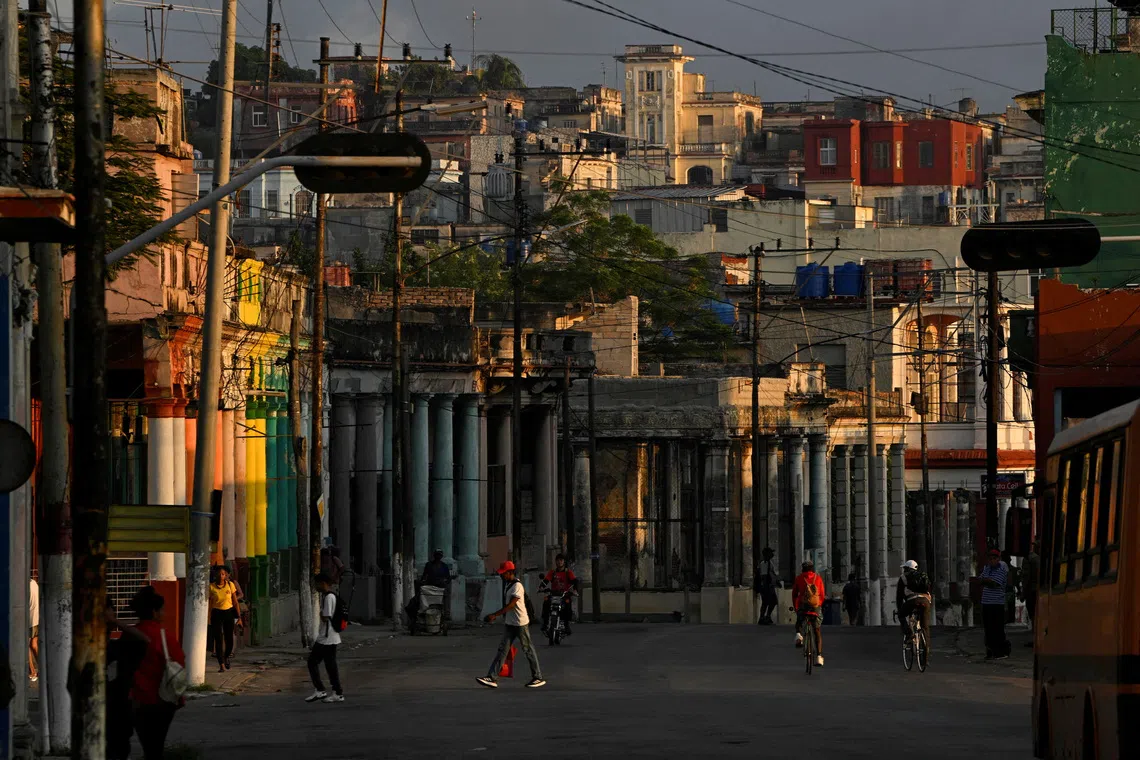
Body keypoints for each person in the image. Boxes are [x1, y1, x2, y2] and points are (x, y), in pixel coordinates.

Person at [129, 585, 186, 760]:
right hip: (163, 701)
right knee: (156, 746)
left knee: (148, 745)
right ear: (154, 612)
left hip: (137, 701)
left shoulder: (129, 635)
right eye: (161, 610)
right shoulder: (165, 636)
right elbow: (178, 666)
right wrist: (180, 698)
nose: (163, 613)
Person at [477, 561, 545, 689]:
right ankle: (492, 677)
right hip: (510, 623)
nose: (502, 576)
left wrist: (495, 615)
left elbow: (511, 605)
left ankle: (538, 677)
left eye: (504, 573)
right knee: (503, 650)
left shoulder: (517, 586)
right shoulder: (508, 585)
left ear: (510, 573)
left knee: (528, 650)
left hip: (520, 623)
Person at [105, 604, 148, 760]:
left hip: (119, 706)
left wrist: (116, 622)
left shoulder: (116, 641)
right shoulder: (89, 643)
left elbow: (144, 640)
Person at [306, 573, 345, 703]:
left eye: (317, 584)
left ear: (323, 583)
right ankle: (337, 692)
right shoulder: (331, 596)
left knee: (312, 662)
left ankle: (320, 690)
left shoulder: (328, 597)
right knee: (330, 665)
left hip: (326, 637)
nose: (316, 586)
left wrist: (320, 613)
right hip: (331, 636)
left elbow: (325, 616)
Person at [405, 550, 452, 632]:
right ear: (434, 556)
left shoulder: (444, 566)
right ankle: (416, 619)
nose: (438, 557)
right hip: (428, 589)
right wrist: (422, 583)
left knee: (446, 598)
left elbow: (448, 579)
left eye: (439, 555)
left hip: (438, 590)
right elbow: (424, 577)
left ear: (441, 556)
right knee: (413, 603)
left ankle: (445, 615)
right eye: (436, 555)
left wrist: (443, 583)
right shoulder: (429, 565)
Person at [792, 560, 826, 667]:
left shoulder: (799, 578)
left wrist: (796, 607)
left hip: (803, 606)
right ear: (812, 569)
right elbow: (822, 595)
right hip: (815, 607)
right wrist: (818, 605)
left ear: (803, 569)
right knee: (817, 631)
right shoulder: (818, 578)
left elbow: (794, 594)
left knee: (799, 622)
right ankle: (819, 657)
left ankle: (799, 636)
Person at [209, 565, 243, 672]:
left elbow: (235, 602)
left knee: (229, 640)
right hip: (216, 613)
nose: (220, 576)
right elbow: (208, 604)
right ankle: (221, 664)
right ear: (215, 575)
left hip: (228, 613)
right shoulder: (211, 587)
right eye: (218, 574)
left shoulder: (230, 585)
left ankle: (226, 656)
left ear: (226, 575)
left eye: (223, 574)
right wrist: (208, 616)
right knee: (218, 639)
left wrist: (239, 617)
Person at [979, 549, 1010, 660]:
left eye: (994, 558)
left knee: (997, 628)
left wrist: (986, 580)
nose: (992, 561)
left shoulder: (1002, 569)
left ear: (998, 559)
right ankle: (990, 651)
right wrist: (986, 580)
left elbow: (995, 583)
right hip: (986, 602)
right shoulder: (987, 568)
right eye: (990, 559)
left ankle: (1000, 651)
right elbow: (981, 580)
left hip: (997, 603)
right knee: (988, 629)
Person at [541, 553, 579, 635]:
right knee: (546, 602)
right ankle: (545, 623)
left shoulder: (568, 572)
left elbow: (574, 581)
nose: (559, 562)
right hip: (554, 594)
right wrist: (541, 587)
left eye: (561, 560)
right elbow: (546, 581)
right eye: (557, 560)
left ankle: (566, 625)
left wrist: (574, 590)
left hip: (564, 594)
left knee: (567, 604)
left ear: (564, 562)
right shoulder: (552, 572)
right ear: (555, 562)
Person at [896, 560, 932, 638]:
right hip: (925, 601)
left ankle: (909, 634)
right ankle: (927, 648)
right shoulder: (923, 576)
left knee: (901, 615)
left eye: (905, 568)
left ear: (908, 569)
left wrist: (900, 609)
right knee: (925, 627)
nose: (904, 570)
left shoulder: (903, 577)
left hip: (912, 601)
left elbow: (899, 596)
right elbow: (929, 589)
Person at [1021, 541, 1040, 644]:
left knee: (1033, 615)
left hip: (1032, 590)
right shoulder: (1039, 558)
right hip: (1040, 590)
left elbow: (1026, 577)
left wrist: (1023, 593)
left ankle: (1035, 639)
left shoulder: (1029, 559)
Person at [756, 547, 779, 625]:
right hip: (767, 586)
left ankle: (767, 616)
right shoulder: (764, 563)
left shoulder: (770, 563)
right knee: (766, 602)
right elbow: (764, 576)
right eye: (770, 553)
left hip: (770, 585)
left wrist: (776, 581)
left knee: (772, 602)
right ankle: (763, 617)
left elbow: (772, 574)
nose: (772, 554)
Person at [28, 577, 39, 682]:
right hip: (36, 617)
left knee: (26, 645)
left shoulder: (24, 586)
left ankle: (32, 671)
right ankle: (43, 668)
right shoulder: (34, 583)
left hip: (29, 618)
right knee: (34, 644)